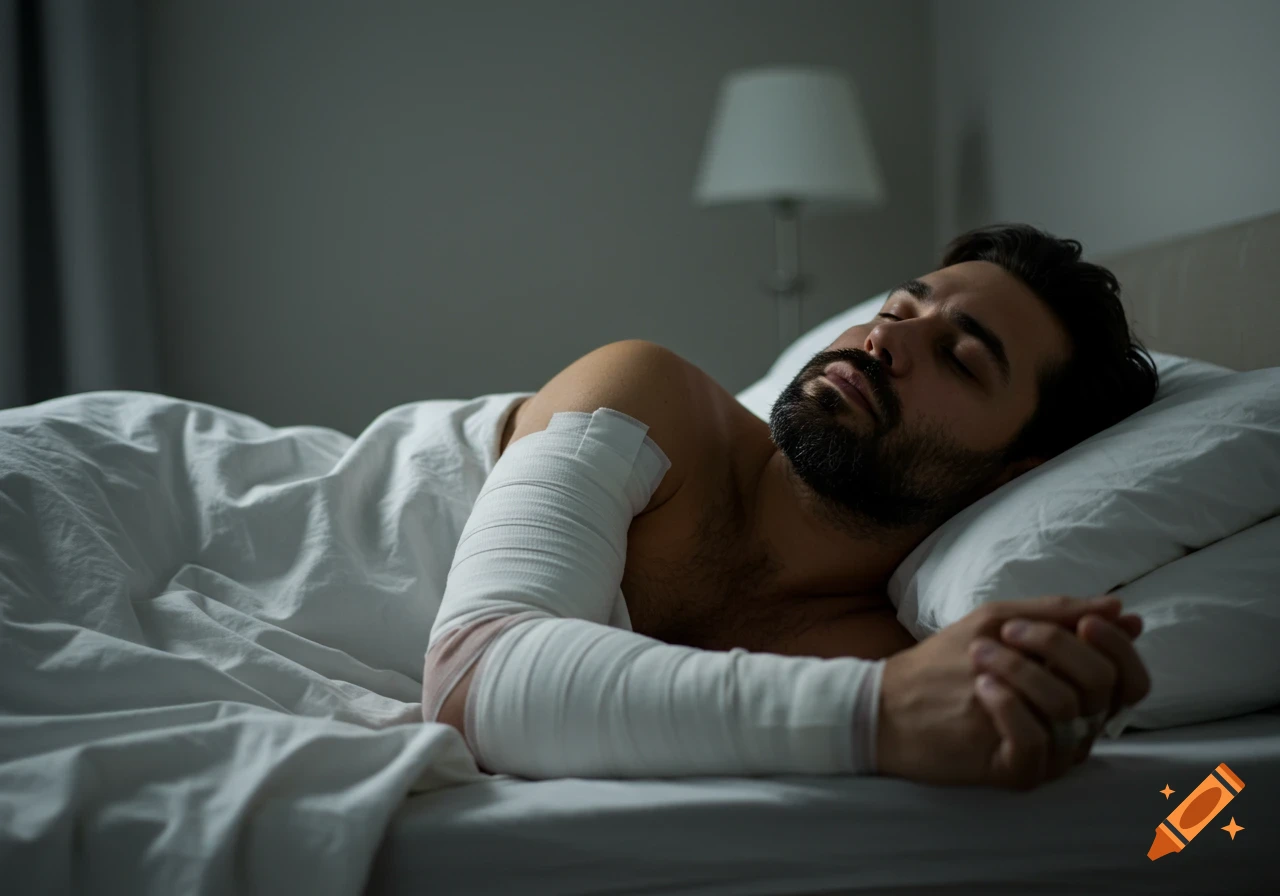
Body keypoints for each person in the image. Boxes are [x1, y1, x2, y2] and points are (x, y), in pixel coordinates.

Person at [423, 223, 1159, 791]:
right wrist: (880, 713)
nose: (887, 338)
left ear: (1014, 473)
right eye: (900, 307)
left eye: (960, 360)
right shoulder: (648, 398)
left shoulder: (880, 651)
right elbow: (470, 678)